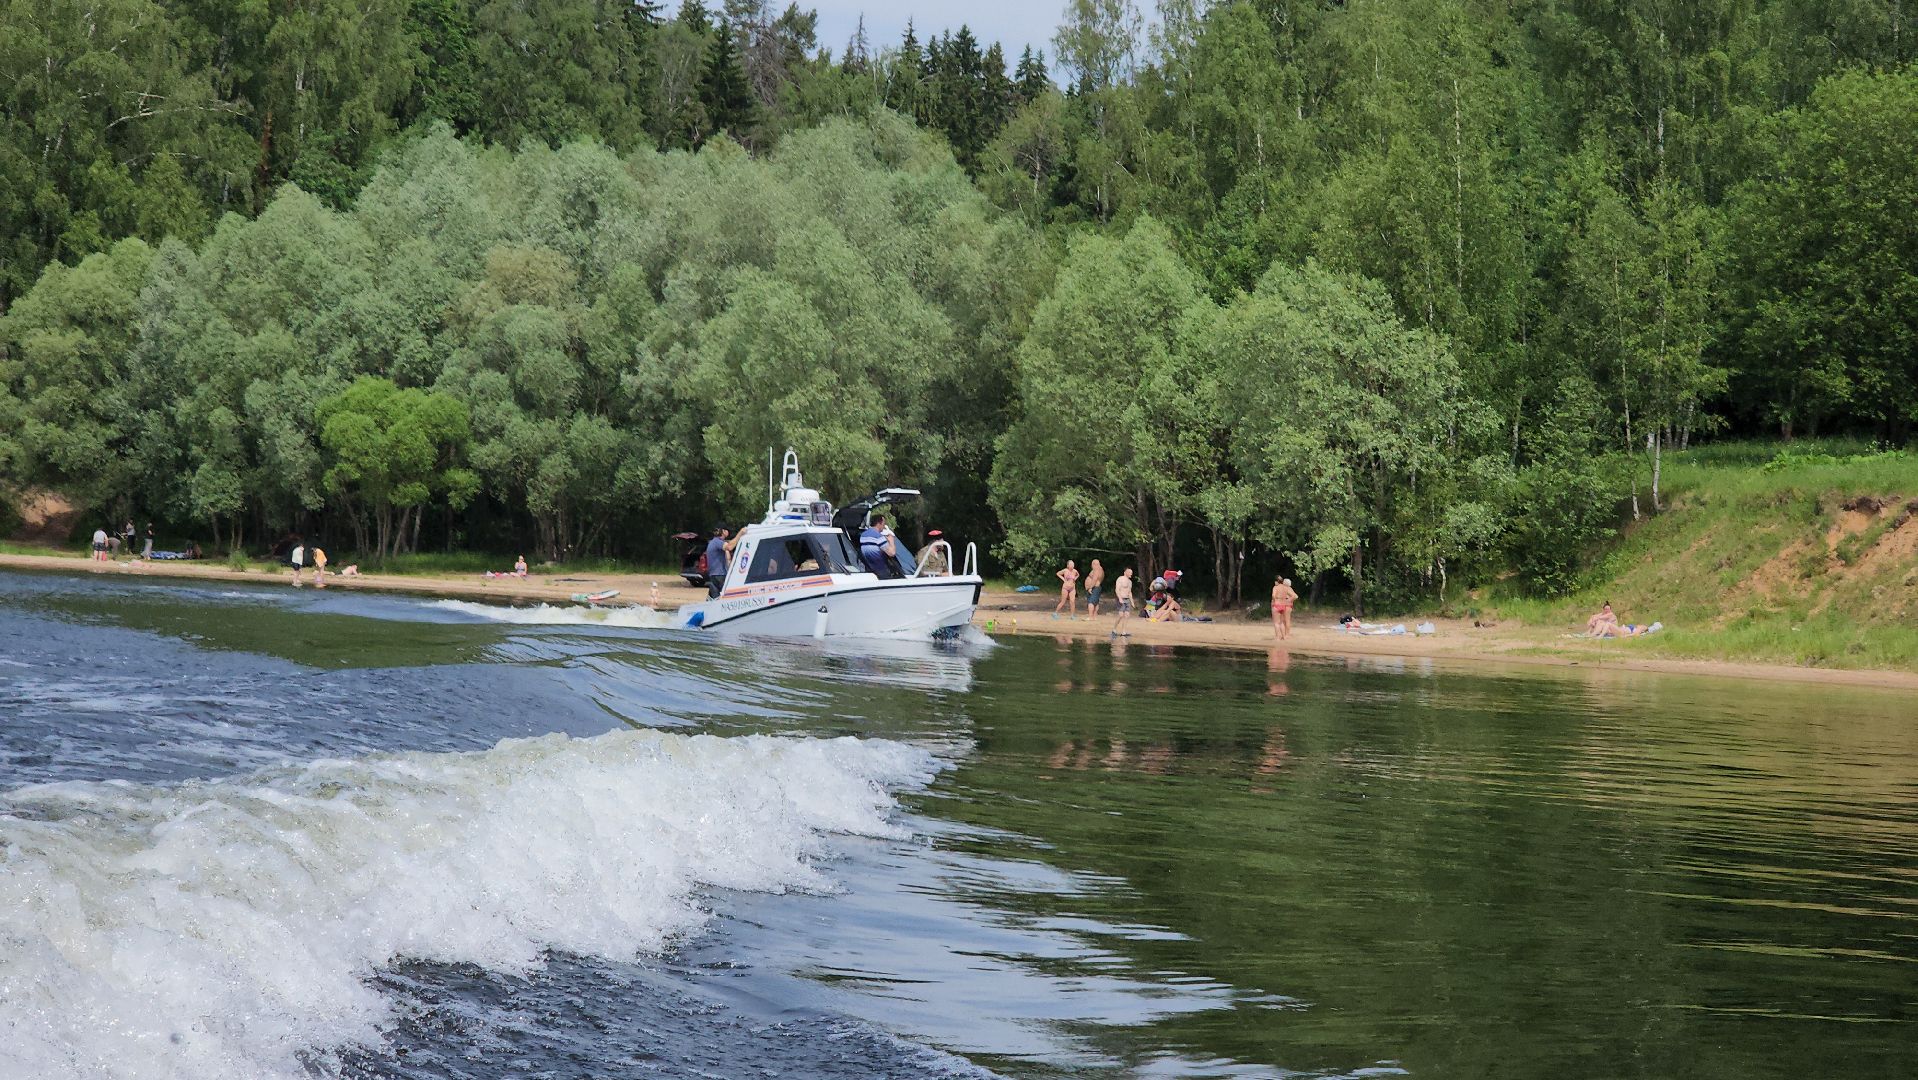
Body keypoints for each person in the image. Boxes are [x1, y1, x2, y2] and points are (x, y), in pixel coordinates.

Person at [704, 526, 734, 597]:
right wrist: (740, 535)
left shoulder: (712, 542)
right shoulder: (718, 542)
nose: (728, 532)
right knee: (724, 596)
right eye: (727, 530)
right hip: (720, 574)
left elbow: (728, 556)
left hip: (713, 574)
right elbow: (729, 547)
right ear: (723, 531)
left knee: (715, 597)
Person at [1110, 568, 1135, 636]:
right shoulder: (1120, 579)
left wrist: (1132, 601)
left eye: (1131, 572)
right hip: (1121, 599)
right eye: (1129, 572)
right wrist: (1120, 598)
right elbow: (1117, 589)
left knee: (1127, 615)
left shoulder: (1130, 582)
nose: (1131, 574)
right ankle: (1114, 629)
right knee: (1121, 615)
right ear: (1125, 572)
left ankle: (1123, 631)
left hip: (1127, 599)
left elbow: (1129, 592)